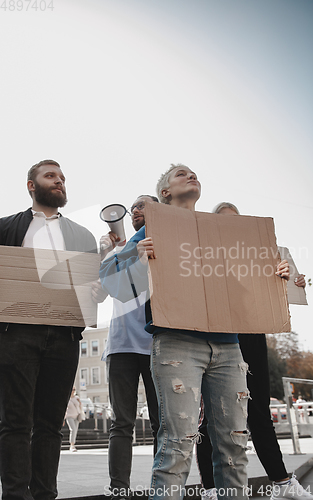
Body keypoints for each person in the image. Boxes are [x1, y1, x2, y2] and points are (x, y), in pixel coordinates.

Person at [100, 165, 263, 500]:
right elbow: (112, 280)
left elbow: (247, 281)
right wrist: (137, 259)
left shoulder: (216, 230)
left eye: (193, 173)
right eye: (180, 174)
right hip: (176, 345)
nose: (191, 175)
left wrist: (274, 274)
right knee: (177, 444)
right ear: (165, 193)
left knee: (234, 443)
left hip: (227, 345)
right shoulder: (152, 227)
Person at [0, 159, 105, 500]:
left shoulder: (82, 234)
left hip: (64, 336)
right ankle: (15, 495)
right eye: (50, 176)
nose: (59, 181)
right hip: (17, 334)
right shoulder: (6, 228)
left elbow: (98, 290)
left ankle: (45, 494)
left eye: (62, 177)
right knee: (15, 422)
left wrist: (96, 290)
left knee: (50, 425)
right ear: (32, 186)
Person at [196, 202, 312, 500]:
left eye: (238, 221)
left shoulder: (261, 258)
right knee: (211, 414)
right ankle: (210, 488)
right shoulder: (204, 254)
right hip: (217, 335)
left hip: (250, 335)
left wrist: (288, 281)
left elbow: (279, 297)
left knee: (259, 411)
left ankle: (283, 483)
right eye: (225, 221)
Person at [100, 195, 159, 500]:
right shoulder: (119, 250)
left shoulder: (168, 243)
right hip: (122, 346)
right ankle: (118, 489)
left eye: (143, 205)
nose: (136, 210)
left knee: (162, 423)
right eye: (133, 206)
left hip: (156, 344)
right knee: (121, 422)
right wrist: (110, 253)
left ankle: (161, 487)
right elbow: (99, 292)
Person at [65, 387, 84, 452]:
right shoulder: (67, 398)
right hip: (69, 416)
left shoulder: (77, 398)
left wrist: (80, 405)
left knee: (75, 430)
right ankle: (72, 445)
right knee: (73, 429)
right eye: (71, 390)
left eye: (74, 390)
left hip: (77, 416)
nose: (73, 391)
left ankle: (73, 444)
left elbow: (80, 407)